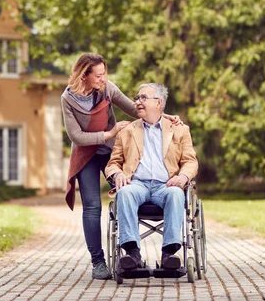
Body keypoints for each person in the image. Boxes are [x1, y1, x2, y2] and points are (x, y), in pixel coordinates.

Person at [61, 53, 182, 280]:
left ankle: (133, 255)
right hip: (85, 153)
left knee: (128, 189)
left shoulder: (107, 88)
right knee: (92, 207)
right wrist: (110, 133)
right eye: (98, 75)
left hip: (110, 150)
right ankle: (98, 262)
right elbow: (76, 136)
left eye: (104, 73)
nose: (103, 78)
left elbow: (136, 108)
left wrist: (165, 116)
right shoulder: (68, 99)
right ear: (84, 75)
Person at [105, 82, 198, 271]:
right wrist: (118, 173)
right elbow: (112, 163)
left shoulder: (180, 130)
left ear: (159, 103)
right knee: (125, 193)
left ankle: (169, 255)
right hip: (137, 183)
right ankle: (132, 254)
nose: (138, 102)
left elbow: (191, 161)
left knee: (176, 193)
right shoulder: (127, 131)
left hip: (166, 184)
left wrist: (182, 177)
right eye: (137, 98)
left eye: (143, 98)